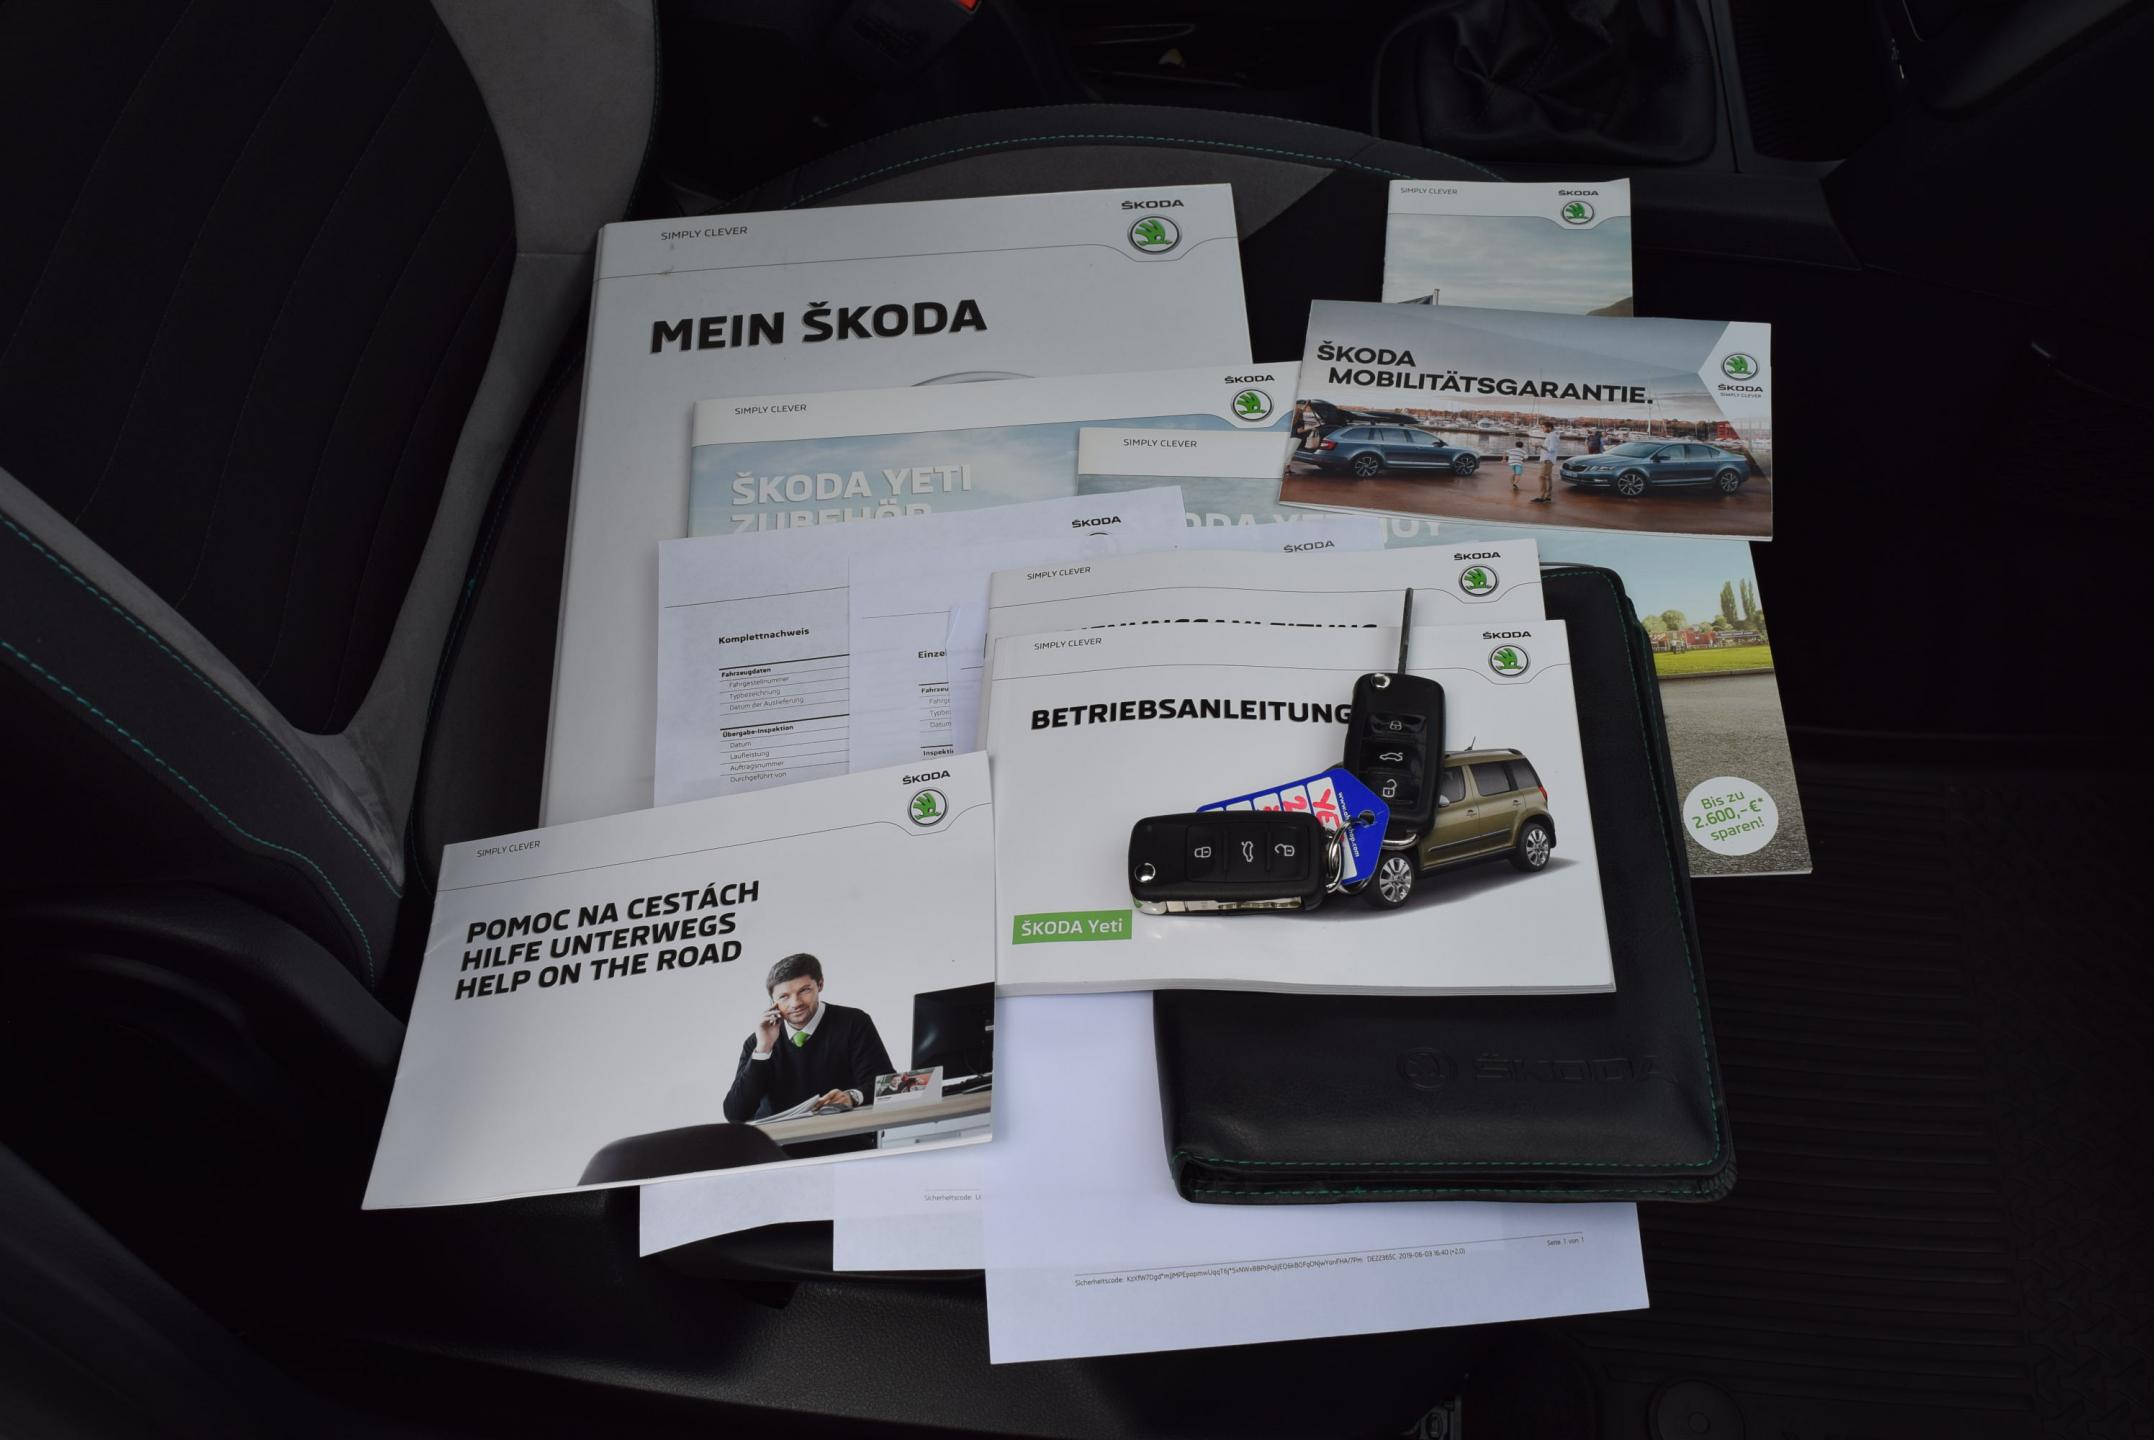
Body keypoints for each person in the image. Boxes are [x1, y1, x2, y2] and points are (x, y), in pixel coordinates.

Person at [722, 953, 894, 1124]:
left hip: (841, 1133)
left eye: (804, 990)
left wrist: (852, 1097)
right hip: (779, 1139)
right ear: (773, 1001)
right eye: (784, 997)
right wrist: (763, 1050)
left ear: (820, 984)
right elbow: (735, 1114)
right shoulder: (758, 1042)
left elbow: (887, 1084)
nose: (795, 1003)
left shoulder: (853, 1022)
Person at [1534, 429, 1559, 503]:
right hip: (1547, 459)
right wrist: (1541, 446)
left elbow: (1551, 449)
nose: (1542, 429)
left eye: (1543, 427)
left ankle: (1543, 497)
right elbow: (1550, 448)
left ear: (1549, 427)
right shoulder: (1552, 435)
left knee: (1542, 477)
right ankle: (1547, 497)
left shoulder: (1552, 436)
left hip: (1548, 460)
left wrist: (1540, 445)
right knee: (1547, 478)